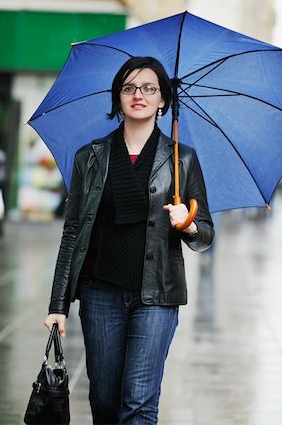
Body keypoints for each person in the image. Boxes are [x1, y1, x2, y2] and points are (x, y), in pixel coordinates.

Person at [44, 56, 214, 425]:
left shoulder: (182, 159)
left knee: (138, 402)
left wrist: (187, 226)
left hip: (156, 295)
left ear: (163, 100)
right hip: (99, 292)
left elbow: (205, 233)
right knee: (105, 401)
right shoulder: (89, 157)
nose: (139, 95)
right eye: (129, 88)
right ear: (118, 97)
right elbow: (73, 230)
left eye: (149, 88)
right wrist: (58, 304)